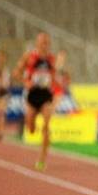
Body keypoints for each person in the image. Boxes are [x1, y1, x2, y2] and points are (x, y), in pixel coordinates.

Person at [14, 32, 64, 171]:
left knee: (46, 125)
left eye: (46, 42)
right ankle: (34, 127)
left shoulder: (52, 59)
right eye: (42, 42)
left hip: (45, 95)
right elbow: (16, 72)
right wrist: (26, 82)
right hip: (32, 95)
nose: (44, 45)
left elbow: (56, 76)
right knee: (30, 129)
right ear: (37, 43)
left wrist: (59, 70)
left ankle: (42, 159)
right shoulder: (29, 57)